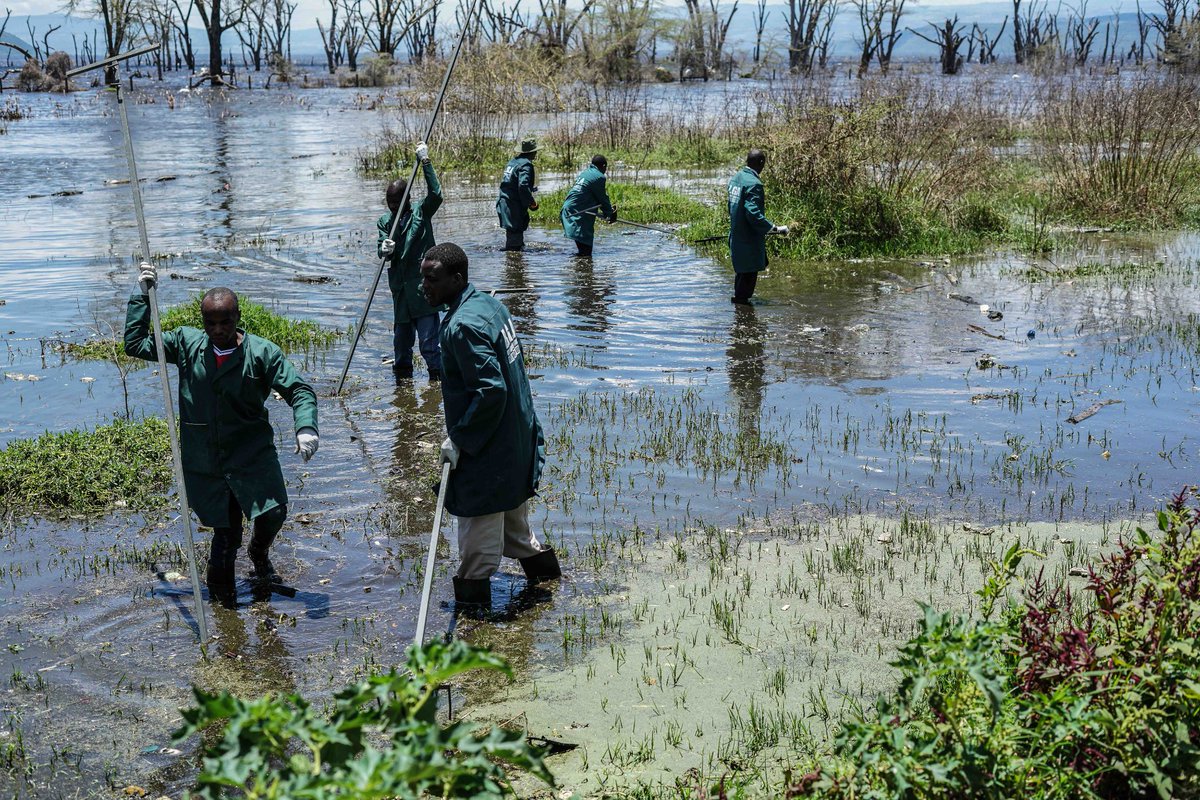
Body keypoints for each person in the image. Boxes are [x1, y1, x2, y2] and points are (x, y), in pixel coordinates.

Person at [124, 266, 319, 595]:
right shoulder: (186, 345)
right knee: (226, 536)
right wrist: (142, 295)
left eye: (225, 322)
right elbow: (136, 344)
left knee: (274, 511)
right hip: (207, 457)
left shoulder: (261, 353)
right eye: (210, 323)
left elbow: (299, 391)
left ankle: (259, 552)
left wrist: (306, 427)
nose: (217, 330)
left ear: (238, 317)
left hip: (251, 451)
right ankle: (223, 607)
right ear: (202, 321)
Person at [419, 242, 561, 610]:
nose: (424, 287)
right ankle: (549, 589)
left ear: (457, 279)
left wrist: (459, 438)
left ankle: (474, 625)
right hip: (517, 440)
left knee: (475, 553)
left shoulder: (462, 326)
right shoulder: (490, 305)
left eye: (432, 279)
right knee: (516, 531)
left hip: (490, 453)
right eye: (423, 279)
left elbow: (492, 391)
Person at [379, 141, 443, 381]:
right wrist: (384, 249)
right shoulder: (386, 222)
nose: (393, 208)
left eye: (397, 203)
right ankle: (402, 386)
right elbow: (380, 247)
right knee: (401, 347)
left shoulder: (421, 213)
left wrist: (425, 162)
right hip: (401, 293)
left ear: (406, 200)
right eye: (390, 204)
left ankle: (437, 383)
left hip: (423, 291)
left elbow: (436, 194)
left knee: (428, 344)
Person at [728, 148, 788, 305]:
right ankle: (744, 317)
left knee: (741, 274)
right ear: (761, 163)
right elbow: (752, 213)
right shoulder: (754, 184)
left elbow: (732, 207)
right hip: (748, 239)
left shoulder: (736, 178)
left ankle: (740, 313)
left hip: (736, 236)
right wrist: (773, 228)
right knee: (748, 275)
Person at [560, 154, 617, 258]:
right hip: (576, 213)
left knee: (583, 253)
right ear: (604, 166)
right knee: (586, 253)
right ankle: (583, 272)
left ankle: (580, 270)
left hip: (568, 210)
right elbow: (602, 198)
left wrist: (606, 213)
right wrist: (610, 213)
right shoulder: (599, 177)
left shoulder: (585, 173)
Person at [496, 138, 539, 252]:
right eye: (535, 151)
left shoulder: (513, 161)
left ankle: (513, 260)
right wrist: (531, 202)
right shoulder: (526, 165)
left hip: (504, 202)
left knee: (512, 234)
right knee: (515, 240)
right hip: (513, 205)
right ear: (532, 152)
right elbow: (523, 185)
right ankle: (516, 266)